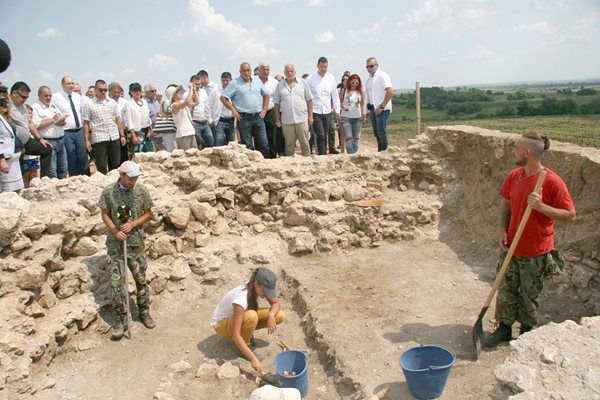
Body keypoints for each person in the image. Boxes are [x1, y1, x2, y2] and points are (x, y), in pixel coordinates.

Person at [484, 132, 576, 347]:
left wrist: (541, 207)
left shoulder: (552, 181)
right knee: (506, 289)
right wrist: (502, 229)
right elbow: (506, 205)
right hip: (511, 247)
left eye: (515, 147)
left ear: (527, 152)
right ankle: (504, 330)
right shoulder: (514, 176)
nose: (512, 151)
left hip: (536, 251)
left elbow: (571, 215)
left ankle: (527, 334)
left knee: (529, 295)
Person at [98, 160, 155, 340]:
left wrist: (133, 224)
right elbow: (104, 213)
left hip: (136, 242)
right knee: (117, 283)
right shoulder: (108, 192)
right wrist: (115, 231)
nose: (133, 181)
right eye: (130, 178)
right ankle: (121, 320)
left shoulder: (142, 191)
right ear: (121, 175)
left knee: (140, 278)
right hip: (116, 245)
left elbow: (148, 213)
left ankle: (144, 311)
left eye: (135, 178)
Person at [211, 267, 285, 372]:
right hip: (221, 325)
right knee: (252, 316)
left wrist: (271, 315)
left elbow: (276, 303)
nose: (267, 295)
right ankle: (243, 348)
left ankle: (247, 335)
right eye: (265, 291)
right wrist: (253, 358)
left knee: (279, 315)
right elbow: (235, 334)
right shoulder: (241, 299)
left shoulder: (256, 286)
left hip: (239, 318)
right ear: (256, 284)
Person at [220, 62, 269, 158]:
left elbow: (266, 94)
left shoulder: (257, 80)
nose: (246, 73)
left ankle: (265, 167)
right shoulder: (234, 83)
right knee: (248, 146)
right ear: (240, 71)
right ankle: (251, 169)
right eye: (244, 71)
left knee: (264, 143)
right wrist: (233, 110)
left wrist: (264, 109)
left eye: (248, 70)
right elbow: (223, 98)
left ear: (251, 71)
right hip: (244, 118)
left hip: (258, 117)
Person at [8, 81, 53, 178]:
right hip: (13, 144)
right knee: (18, 168)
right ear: (14, 93)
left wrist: (40, 139)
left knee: (47, 149)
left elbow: (30, 123)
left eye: (27, 97)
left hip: (26, 141)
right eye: (23, 97)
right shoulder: (6, 105)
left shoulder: (23, 105)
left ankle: (44, 179)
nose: (25, 100)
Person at [82, 79, 125, 174]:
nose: (103, 92)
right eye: (101, 90)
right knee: (101, 166)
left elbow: (118, 119)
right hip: (99, 138)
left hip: (113, 136)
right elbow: (86, 123)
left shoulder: (112, 102)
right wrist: (86, 140)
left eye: (105, 90)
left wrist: (122, 135)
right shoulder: (89, 103)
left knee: (115, 164)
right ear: (95, 90)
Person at [273, 64, 313, 157]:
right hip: (287, 120)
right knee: (289, 145)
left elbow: (309, 100)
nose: (290, 73)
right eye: (287, 71)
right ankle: (291, 166)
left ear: (295, 72)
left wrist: (310, 115)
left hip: (302, 119)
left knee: (305, 143)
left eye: (291, 71)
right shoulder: (280, 85)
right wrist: (277, 118)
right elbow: (276, 103)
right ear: (284, 73)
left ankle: (307, 164)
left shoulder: (303, 83)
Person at [52, 76, 88, 176]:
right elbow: (53, 113)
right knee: (71, 156)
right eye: (68, 83)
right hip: (67, 131)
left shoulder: (77, 97)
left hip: (79, 130)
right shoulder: (56, 97)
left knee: (82, 156)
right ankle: (74, 178)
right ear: (62, 84)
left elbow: (81, 112)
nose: (71, 85)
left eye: (72, 83)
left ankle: (81, 176)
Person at [32, 86, 68, 179]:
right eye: (46, 96)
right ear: (39, 95)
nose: (48, 98)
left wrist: (62, 121)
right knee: (52, 171)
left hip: (61, 140)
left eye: (50, 96)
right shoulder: (35, 107)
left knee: (63, 169)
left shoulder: (53, 105)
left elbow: (59, 118)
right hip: (49, 142)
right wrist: (52, 120)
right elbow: (36, 125)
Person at [307, 57, 341, 155]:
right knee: (320, 135)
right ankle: (321, 154)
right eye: (321, 67)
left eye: (325, 66)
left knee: (325, 134)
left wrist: (337, 111)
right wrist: (308, 113)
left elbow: (335, 96)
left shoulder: (331, 78)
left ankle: (323, 154)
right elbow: (307, 97)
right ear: (317, 66)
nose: (323, 69)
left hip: (327, 111)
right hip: (315, 111)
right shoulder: (310, 78)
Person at [364, 57, 393, 151]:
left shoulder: (383, 76)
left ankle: (384, 154)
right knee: (376, 133)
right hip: (373, 109)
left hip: (383, 109)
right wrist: (367, 110)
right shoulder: (369, 79)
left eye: (371, 66)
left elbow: (390, 92)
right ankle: (380, 152)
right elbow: (368, 96)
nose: (369, 68)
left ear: (377, 65)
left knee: (381, 131)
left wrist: (382, 106)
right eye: (367, 66)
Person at [0, 87, 24, 192]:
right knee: (8, 192)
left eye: (8, 102)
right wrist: (1, 160)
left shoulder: (6, 118)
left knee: (17, 190)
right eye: (3, 102)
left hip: (14, 159)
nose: (6, 105)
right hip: (6, 161)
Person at [257, 62, 280, 158]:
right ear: (259, 70)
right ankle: (260, 156)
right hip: (258, 112)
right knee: (259, 135)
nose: (266, 72)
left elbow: (278, 98)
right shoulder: (254, 81)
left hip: (270, 111)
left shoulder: (274, 82)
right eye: (263, 69)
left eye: (267, 70)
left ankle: (272, 155)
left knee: (272, 135)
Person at [167, 83, 198, 151]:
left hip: (191, 132)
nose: (180, 92)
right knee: (186, 157)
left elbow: (197, 102)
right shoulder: (174, 106)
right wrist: (191, 89)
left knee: (195, 155)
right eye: (177, 92)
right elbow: (187, 102)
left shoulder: (181, 102)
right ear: (173, 96)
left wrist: (194, 91)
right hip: (183, 134)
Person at [124, 82, 153, 154]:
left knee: (149, 151)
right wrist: (133, 135)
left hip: (146, 130)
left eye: (139, 90)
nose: (137, 92)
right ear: (131, 92)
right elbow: (129, 121)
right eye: (135, 91)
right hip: (137, 131)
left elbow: (147, 115)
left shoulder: (144, 102)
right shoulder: (129, 103)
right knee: (139, 152)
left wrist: (151, 128)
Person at [208, 72, 235, 146]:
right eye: (223, 80)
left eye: (227, 80)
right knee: (219, 141)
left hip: (231, 120)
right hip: (220, 120)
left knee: (231, 143)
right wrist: (210, 120)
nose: (225, 82)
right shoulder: (215, 91)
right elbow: (208, 106)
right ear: (221, 80)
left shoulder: (234, 90)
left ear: (231, 80)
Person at [339, 74, 365, 154]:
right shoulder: (344, 90)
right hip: (346, 118)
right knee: (349, 138)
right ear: (349, 82)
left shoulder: (360, 92)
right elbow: (339, 102)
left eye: (357, 83)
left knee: (356, 138)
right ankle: (351, 155)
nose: (354, 84)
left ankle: (354, 153)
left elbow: (362, 104)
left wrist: (363, 115)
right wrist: (343, 107)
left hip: (357, 118)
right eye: (353, 82)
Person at [188, 74, 213, 149]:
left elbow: (207, 107)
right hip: (195, 124)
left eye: (199, 84)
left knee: (210, 143)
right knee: (198, 146)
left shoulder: (203, 92)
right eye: (196, 84)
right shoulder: (186, 95)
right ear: (191, 84)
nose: (198, 86)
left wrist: (210, 120)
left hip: (205, 123)